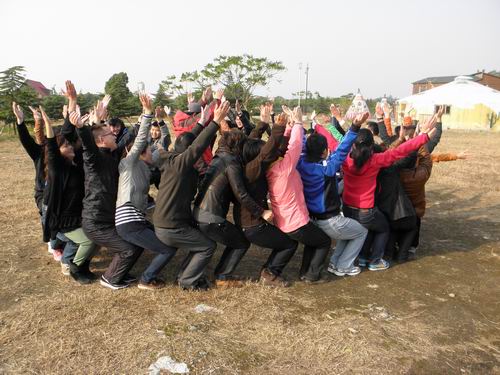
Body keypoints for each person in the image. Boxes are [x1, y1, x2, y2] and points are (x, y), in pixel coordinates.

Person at [341, 113, 439, 271]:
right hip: (367, 210)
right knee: (384, 228)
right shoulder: (376, 162)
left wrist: (302, 125)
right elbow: (398, 153)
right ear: (371, 146)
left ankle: (364, 257)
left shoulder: (344, 158)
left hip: (348, 207)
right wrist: (421, 137)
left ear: (352, 145)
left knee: (368, 229)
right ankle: (375, 261)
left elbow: (337, 141)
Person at [154, 100, 231, 291]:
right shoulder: (181, 165)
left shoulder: (170, 158)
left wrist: (201, 121)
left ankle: (185, 273)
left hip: (167, 222)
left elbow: (189, 143)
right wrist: (214, 122)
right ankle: (187, 281)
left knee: (199, 239)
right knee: (207, 246)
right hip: (170, 227)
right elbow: (196, 147)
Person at [70, 95, 143, 290]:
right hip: (96, 222)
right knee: (129, 248)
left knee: (136, 242)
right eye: (110, 135)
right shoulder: (94, 159)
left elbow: (127, 138)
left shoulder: (111, 155)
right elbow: (88, 143)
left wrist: (144, 118)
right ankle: (110, 278)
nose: (114, 135)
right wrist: (80, 127)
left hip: (109, 218)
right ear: (101, 140)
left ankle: (119, 273)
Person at [194, 124, 273, 288]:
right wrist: (261, 212)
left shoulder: (219, 155)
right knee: (241, 242)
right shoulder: (232, 163)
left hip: (199, 211)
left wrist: (262, 125)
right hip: (211, 216)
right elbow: (240, 193)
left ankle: (213, 273)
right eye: (242, 145)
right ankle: (222, 276)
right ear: (237, 146)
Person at [115, 92, 177, 290]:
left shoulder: (145, 168)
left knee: (167, 239)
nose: (154, 152)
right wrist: (147, 114)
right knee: (167, 249)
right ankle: (146, 279)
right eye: (150, 150)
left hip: (137, 220)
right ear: (140, 153)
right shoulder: (129, 164)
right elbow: (141, 140)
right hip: (129, 222)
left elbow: (165, 155)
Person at [297, 113, 368, 277]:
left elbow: (300, 145)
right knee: (361, 231)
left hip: (312, 219)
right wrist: (355, 126)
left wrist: (298, 124)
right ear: (324, 152)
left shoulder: (300, 164)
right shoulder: (327, 169)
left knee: (349, 230)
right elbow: (343, 149)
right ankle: (344, 266)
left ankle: (335, 263)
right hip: (330, 221)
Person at [266, 106, 332, 283]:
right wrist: (298, 123)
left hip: (286, 219)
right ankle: (311, 275)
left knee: (313, 239)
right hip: (295, 222)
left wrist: (289, 126)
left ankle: (304, 272)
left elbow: (288, 144)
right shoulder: (284, 169)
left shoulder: (271, 168)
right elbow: (294, 146)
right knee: (324, 242)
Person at [235, 110, 298, 287]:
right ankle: (270, 273)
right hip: (252, 225)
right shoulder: (252, 170)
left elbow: (272, 151)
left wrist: (264, 124)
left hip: (248, 222)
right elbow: (266, 154)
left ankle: (269, 270)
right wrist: (278, 127)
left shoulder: (248, 163)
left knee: (285, 240)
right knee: (289, 244)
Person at [40, 103, 97, 284]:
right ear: (58, 152)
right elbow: (52, 145)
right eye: (66, 146)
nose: (70, 147)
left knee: (97, 237)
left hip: (78, 215)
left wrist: (79, 112)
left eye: (70, 145)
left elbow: (82, 140)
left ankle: (83, 266)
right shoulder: (59, 170)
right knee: (88, 241)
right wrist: (48, 124)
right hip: (65, 219)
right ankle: (74, 266)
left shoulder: (76, 164)